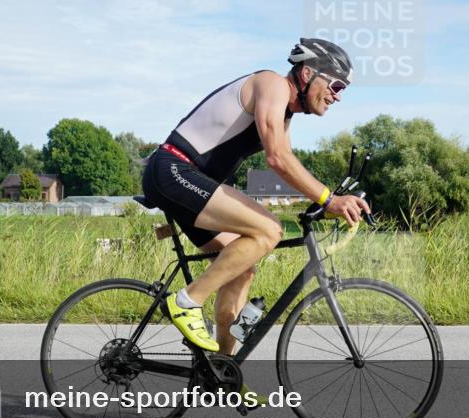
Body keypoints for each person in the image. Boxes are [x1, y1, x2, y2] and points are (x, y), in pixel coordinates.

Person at [142, 38, 371, 356]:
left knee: (242, 269)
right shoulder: (272, 85)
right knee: (269, 230)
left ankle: (221, 369)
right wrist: (328, 199)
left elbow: (288, 166)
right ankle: (186, 302)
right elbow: (276, 157)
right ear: (307, 74)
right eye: (336, 85)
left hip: (189, 181)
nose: (338, 96)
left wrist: (324, 203)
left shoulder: (284, 115)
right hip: (173, 170)